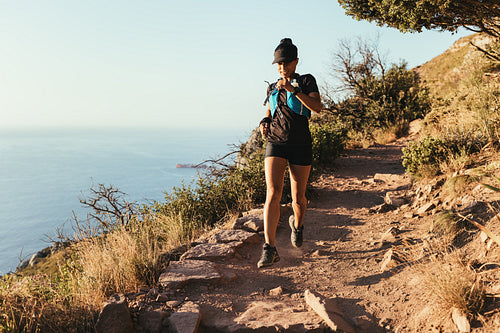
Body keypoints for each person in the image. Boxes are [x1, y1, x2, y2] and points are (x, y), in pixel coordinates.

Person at [257, 38, 322, 268]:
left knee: (298, 198)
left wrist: (293, 90)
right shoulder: (272, 86)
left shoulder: (306, 81)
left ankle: (298, 224)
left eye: (286, 62)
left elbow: (317, 107)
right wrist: (265, 120)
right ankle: (269, 248)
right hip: (276, 142)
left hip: (301, 144)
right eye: (278, 63)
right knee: (273, 193)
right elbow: (269, 108)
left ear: (296, 61)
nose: (282, 67)